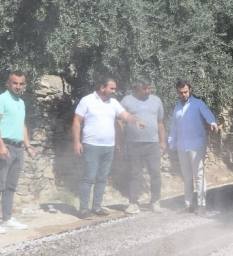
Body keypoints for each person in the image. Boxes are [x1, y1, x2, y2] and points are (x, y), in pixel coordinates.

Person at [72, 77, 144, 219]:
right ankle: (83, 209)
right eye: (112, 88)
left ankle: (97, 206)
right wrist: (76, 142)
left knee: (102, 178)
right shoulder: (87, 100)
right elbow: (76, 121)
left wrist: (135, 120)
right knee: (89, 177)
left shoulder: (113, 103)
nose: (114, 91)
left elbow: (125, 115)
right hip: (91, 145)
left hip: (108, 147)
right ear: (102, 87)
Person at [0, 71, 36, 234]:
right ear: (8, 83)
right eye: (15, 83)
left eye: (21, 84)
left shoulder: (20, 102)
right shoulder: (0, 100)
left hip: (18, 148)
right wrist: (1, 146)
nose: (18, 86)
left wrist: (27, 146)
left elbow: (22, 125)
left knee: (11, 186)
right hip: (4, 147)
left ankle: (7, 219)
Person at [168, 80, 218, 216]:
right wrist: (171, 143)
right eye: (181, 92)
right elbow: (174, 126)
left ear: (190, 90)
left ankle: (202, 205)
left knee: (199, 175)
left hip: (197, 145)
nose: (183, 94)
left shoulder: (198, 104)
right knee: (187, 176)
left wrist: (212, 122)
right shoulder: (177, 107)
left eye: (185, 92)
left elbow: (208, 114)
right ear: (177, 92)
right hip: (182, 146)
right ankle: (188, 204)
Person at [117, 75, 167, 214]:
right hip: (133, 144)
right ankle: (133, 203)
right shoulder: (127, 100)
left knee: (155, 173)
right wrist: (119, 141)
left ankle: (155, 201)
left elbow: (160, 122)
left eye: (149, 88)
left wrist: (163, 141)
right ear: (138, 87)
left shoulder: (156, 101)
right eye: (144, 89)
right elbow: (120, 121)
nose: (147, 91)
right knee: (134, 174)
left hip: (152, 144)